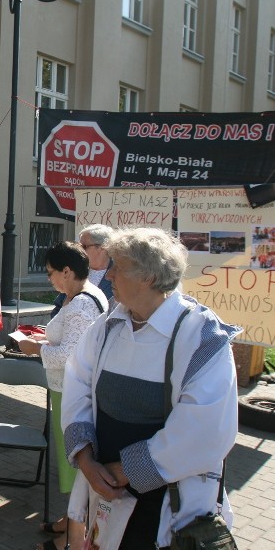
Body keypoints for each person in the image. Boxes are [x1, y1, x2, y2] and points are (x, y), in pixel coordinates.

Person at [62, 228, 240, 549]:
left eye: (119, 266)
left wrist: (127, 470)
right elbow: (77, 387)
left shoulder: (201, 337)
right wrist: (86, 459)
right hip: (107, 493)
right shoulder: (107, 326)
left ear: (147, 277)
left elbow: (206, 430)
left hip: (167, 505)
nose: (110, 273)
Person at [18, 242, 108, 550]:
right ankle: (70, 520)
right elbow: (73, 342)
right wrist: (45, 337)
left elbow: (70, 355)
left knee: (75, 463)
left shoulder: (82, 304)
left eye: (51, 272)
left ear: (67, 272)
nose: (49, 279)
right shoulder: (81, 297)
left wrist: (35, 348)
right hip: (71, 389)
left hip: (73, 392)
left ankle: (73, 536)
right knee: (73, 462)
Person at [51, 224, 114, 319]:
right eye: (79, 246)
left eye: (84, 246)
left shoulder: (118, 275)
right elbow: (58, 307)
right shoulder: (76, 271)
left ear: (102, 247)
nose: (80, 251)